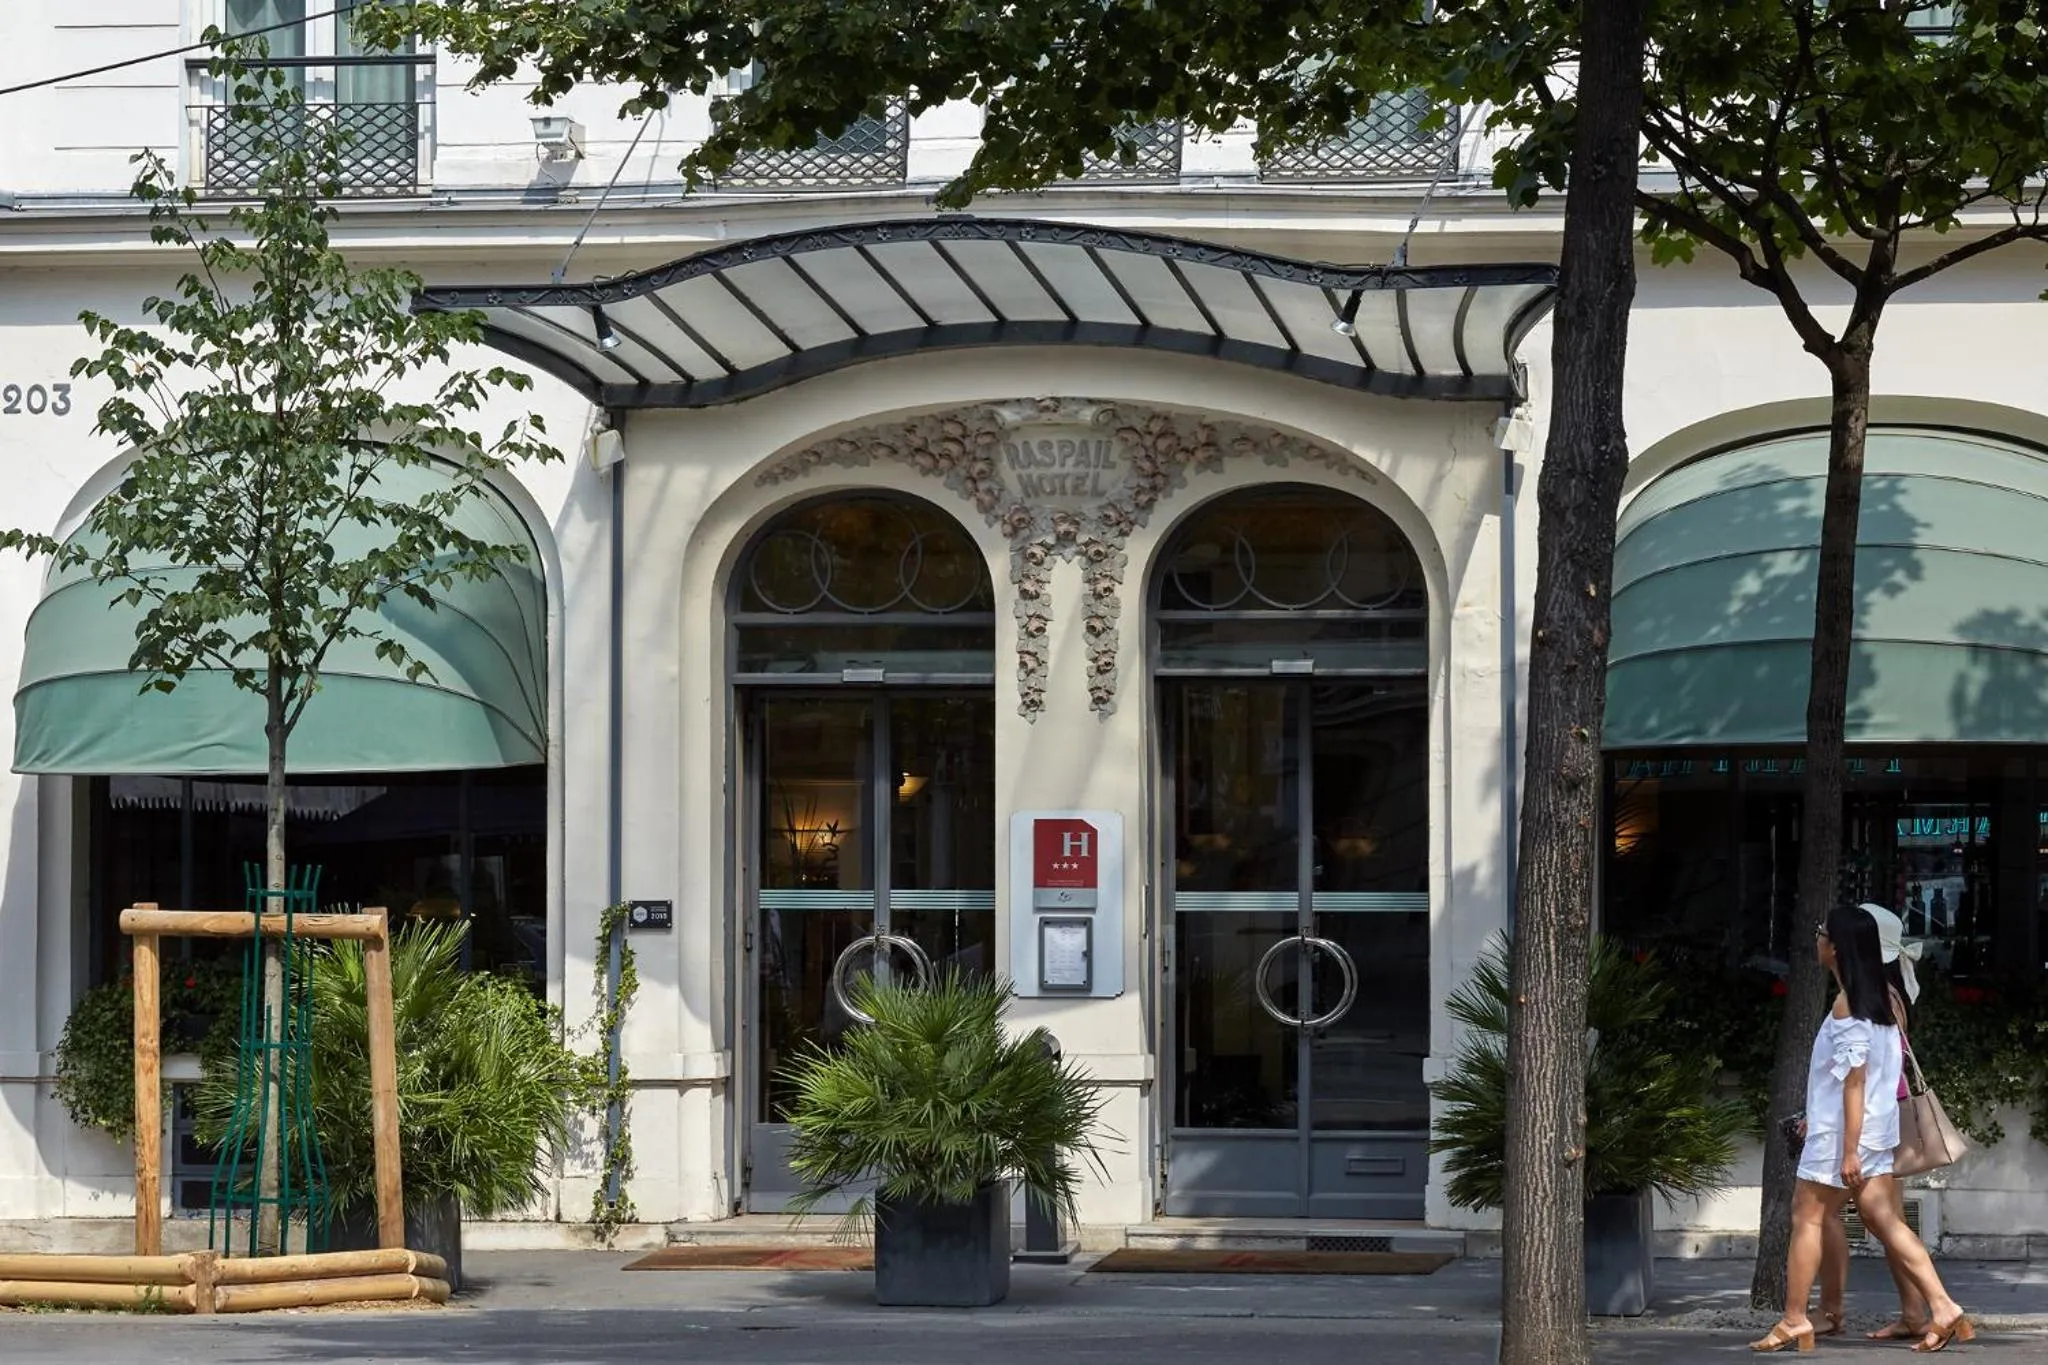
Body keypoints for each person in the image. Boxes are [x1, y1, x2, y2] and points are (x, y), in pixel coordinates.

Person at [1750, 905, 1973, 1354]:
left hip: (1841, 1138)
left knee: (1807, 1217)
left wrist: (1848, 1150)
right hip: (1875, 1133)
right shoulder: (1881, 999)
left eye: (1821, 932)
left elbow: (1855, 1082)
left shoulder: (1848, 1002)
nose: (1817, 939)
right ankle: (1943, 1306)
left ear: (1836, 947)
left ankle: (1795, 1318)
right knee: (1884, 1221)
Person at [1812, 904, 1930, 1341]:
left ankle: (1834, 1309)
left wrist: (1846, 1134)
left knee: (1829, 1214)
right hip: (1881, 1117)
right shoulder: (1884, 992)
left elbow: (1865, 1074)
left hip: (1876, 1119)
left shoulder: (1870, 997)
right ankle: (1915, 1311)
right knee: (1884, 1219)